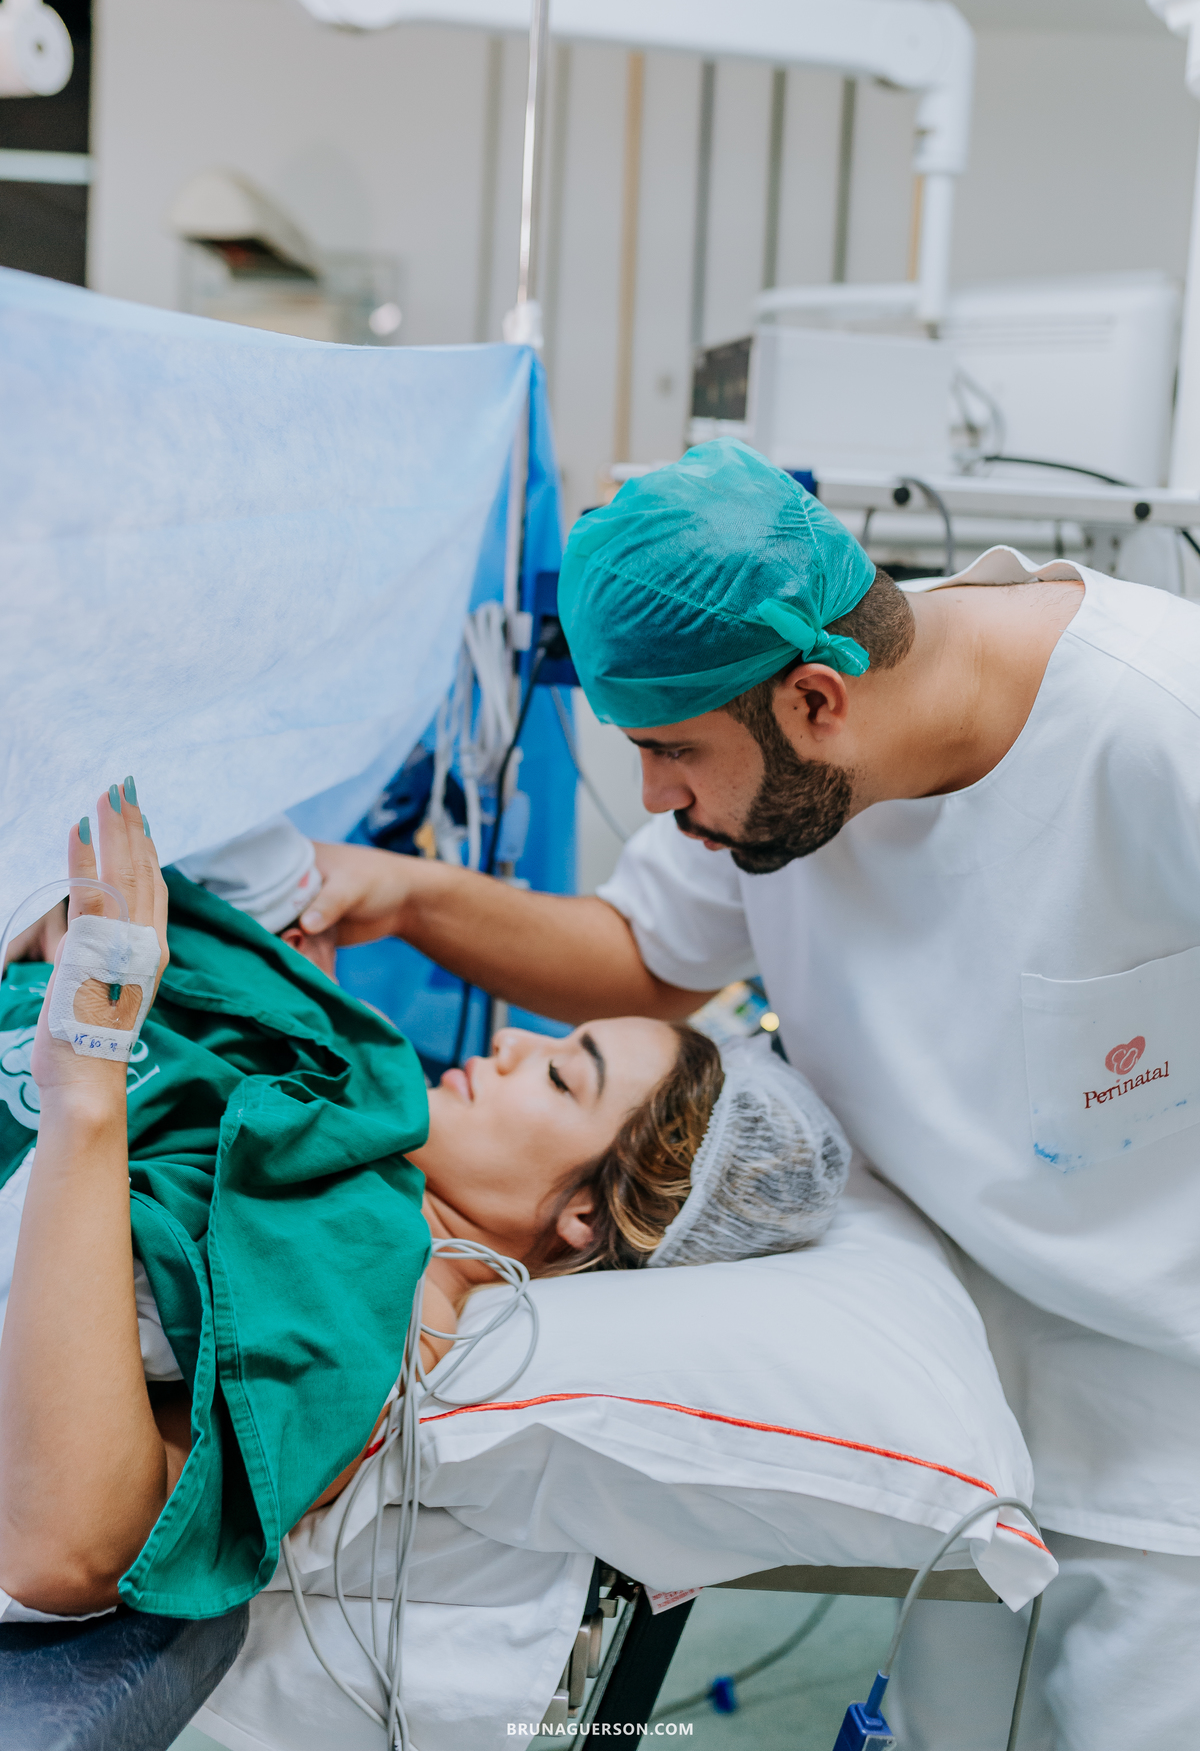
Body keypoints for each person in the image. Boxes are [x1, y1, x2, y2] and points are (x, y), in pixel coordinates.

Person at [301, 438, 1200, 1751]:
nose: (657, 802)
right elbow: (646, 960)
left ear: (821, 701)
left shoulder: (1157, 722)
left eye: (670, 756)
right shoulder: (790, 756)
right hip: (989, 1434)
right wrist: (409, 896)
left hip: (1174, 1460)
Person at [0, 775, 847, 1624]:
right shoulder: (353, 1102)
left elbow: (68, 1550)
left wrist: (88, 1074)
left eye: (561, 1076)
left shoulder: (374, 1308)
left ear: (586, 1215)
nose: (513, 1041)